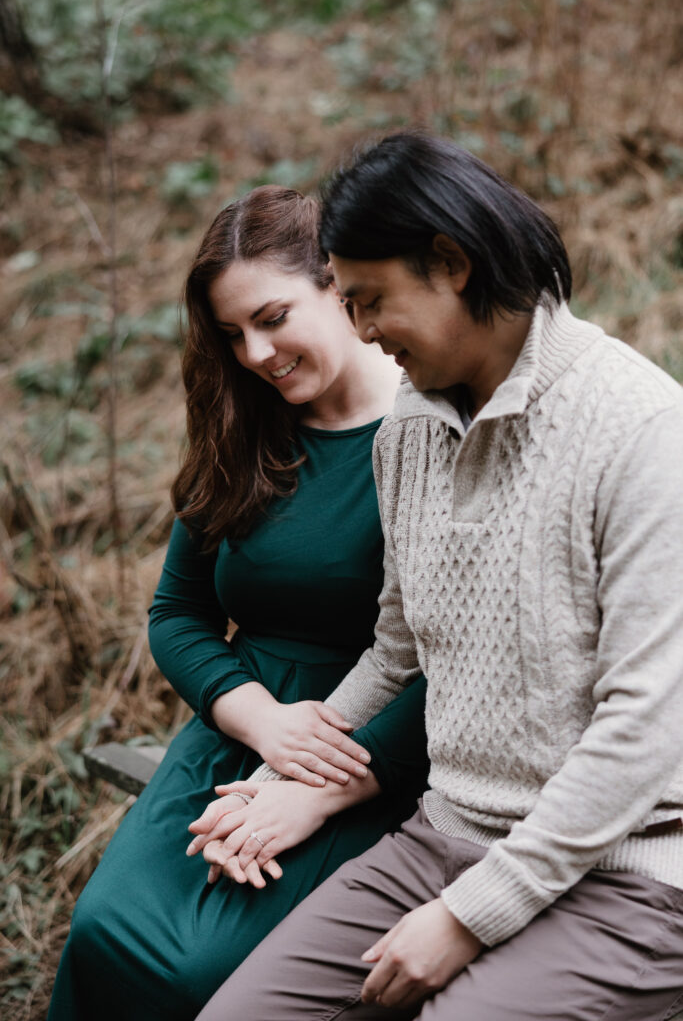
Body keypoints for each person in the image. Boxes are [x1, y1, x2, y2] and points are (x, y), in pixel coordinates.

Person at [194, 134, 683, 1021]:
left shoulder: (641, 430)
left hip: (628, 875)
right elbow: (395, 649)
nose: (362, 329)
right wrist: (287, 774)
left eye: (371, 300)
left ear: (451, 264)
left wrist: (466, 917)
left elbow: (644, 728)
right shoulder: (406, 432)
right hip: (443, 839)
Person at [47, 184, 429, 1021]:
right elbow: (176, 614)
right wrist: (258, 720)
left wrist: (326, 777)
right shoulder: (243, 424)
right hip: (240, 725)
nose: (254, 353)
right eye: (231, 335)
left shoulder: (430, 425)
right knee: (107, 929)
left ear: (338, 284)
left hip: (378, 751)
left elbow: (463, 657)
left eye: (272, 317)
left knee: (205, 970)